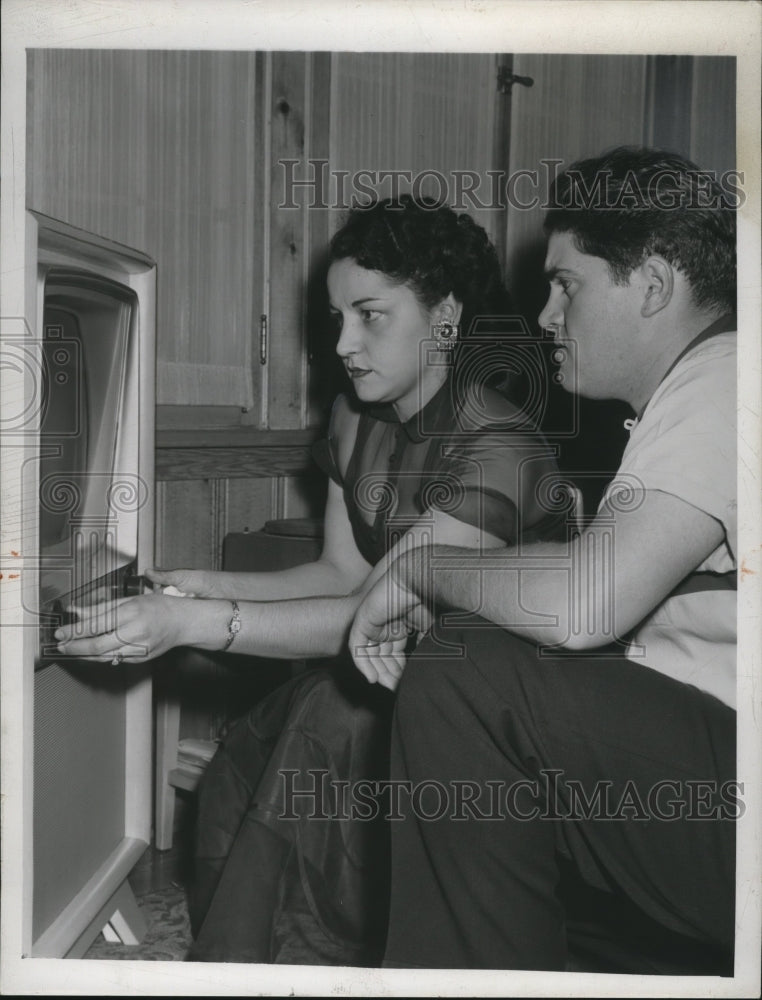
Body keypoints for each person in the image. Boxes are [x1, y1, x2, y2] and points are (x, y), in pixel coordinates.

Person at [55, 195, 566, 963]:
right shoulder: (355, 415)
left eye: (370, 315)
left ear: (448, 314)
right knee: (239, 774)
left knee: (323, 728)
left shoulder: (500, 446)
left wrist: (195, 625)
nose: (345, 344)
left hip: (489, 702)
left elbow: (378, 612)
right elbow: (339, 571)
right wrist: (186, 586)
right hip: (387, 669)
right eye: (335, 318)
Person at [349, 148, 738, 972]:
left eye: (568, 284)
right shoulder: (695, 394)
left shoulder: (728, 377)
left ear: (656, 286)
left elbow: (583, 606)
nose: (546, 315)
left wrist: (418, 570)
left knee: (470, 674)